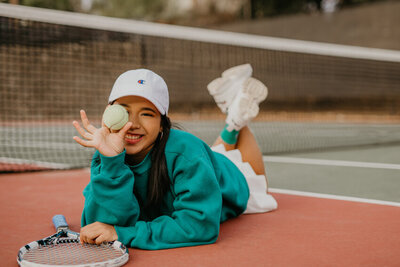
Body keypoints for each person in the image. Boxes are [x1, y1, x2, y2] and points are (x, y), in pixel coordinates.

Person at [72, 65, 277, 250]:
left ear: (163, 124)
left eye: (146, 113)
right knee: (209, 154)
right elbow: (98, 225)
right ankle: (232, 115)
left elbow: (198, 225)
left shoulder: (187, 153)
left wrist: (123, 233)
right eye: (124, 112)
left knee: (256, 182)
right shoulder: (108, 153)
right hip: (205, 161)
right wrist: (111, 162)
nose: (132, 124)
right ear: (109, 114)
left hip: (231, 178)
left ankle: (236, 119)